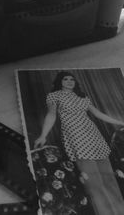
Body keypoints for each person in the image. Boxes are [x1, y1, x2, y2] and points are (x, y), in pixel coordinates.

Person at [34, 71, 124, 215]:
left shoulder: (83, 97)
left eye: (72, 79)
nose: (70, 81)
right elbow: (51, 115)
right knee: (94, 184)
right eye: (66, 79)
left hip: (94, 136)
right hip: (76, 137)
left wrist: (121, 122)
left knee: (109, 180)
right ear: (59, 81)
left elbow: (98, 114)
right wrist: (43, 135)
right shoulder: (54, 96)